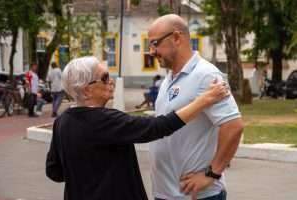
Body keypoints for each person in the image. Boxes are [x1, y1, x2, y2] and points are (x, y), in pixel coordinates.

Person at [45, 56, 229, 200]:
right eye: (104, 77)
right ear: (87, 90)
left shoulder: (62, 122)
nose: (111, 81)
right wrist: (204, 100)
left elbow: (54, 171)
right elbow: (159, 127)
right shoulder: (104, 120)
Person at [147, 14, 244, 200]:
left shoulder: (206, 75)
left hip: (197, 196)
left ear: (176, 37)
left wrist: (212, 174)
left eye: (155, 43)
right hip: (166, 193)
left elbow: (233, 126)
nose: (151, 51)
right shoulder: (169, 78)